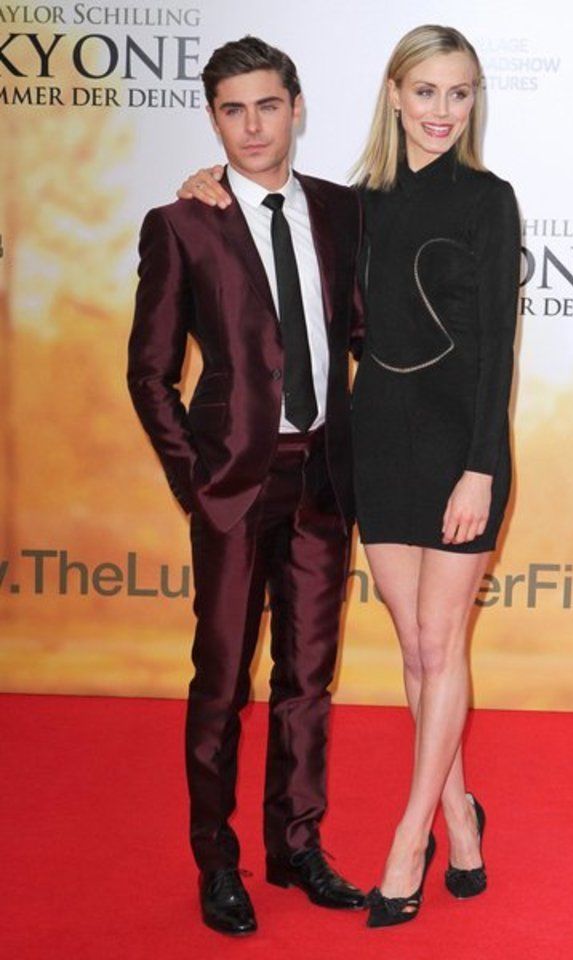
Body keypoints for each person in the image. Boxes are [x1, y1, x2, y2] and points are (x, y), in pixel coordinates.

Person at [178, 24, 520, 930]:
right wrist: (206, 183)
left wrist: (482, 467)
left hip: (462, 453)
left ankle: (412, 837)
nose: (442, 110)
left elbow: (498, 352)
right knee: (416, 653)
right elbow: (264, 210)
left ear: (474, 100)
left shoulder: (490, 201)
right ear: (394, 95)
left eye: (459, 92)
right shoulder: (352, 205)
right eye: (426, 91)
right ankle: (460, 812)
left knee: (442, 647)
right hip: (376, 446)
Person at [127, 36, 366, 938]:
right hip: (234, 484)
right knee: (223, 681)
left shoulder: (343, 211)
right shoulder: (182, 223)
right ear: (213, 118)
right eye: (233, 110)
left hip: (323, 480)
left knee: (308, 678)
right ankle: (217, 861)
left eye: (268, 105)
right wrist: (198, 482)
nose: (253, 126)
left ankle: (296, 847)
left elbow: (363, 332)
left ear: (296, 108)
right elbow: (149, 373)